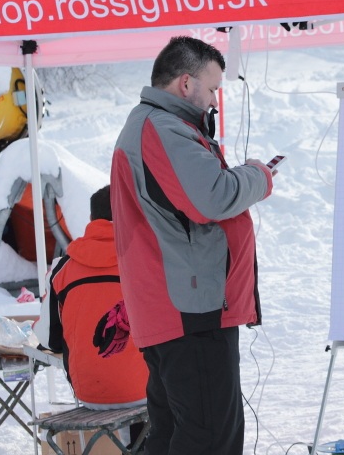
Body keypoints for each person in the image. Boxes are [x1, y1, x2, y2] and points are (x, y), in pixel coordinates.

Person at [110, 36, 274, 455]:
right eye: (213, 88)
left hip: (177, 308)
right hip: (191, 311)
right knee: (210, 437)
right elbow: (212, 197)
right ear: (186, 83)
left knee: (177, 434)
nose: (215, 100)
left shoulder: (158, 126)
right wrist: (258, 175)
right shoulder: (161, 128)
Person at [35, 184, 149, 442]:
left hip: (89, 394)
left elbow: (49, 340)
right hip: (146, 390)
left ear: (91, 219)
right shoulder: (147, 259)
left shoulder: (63, 268)